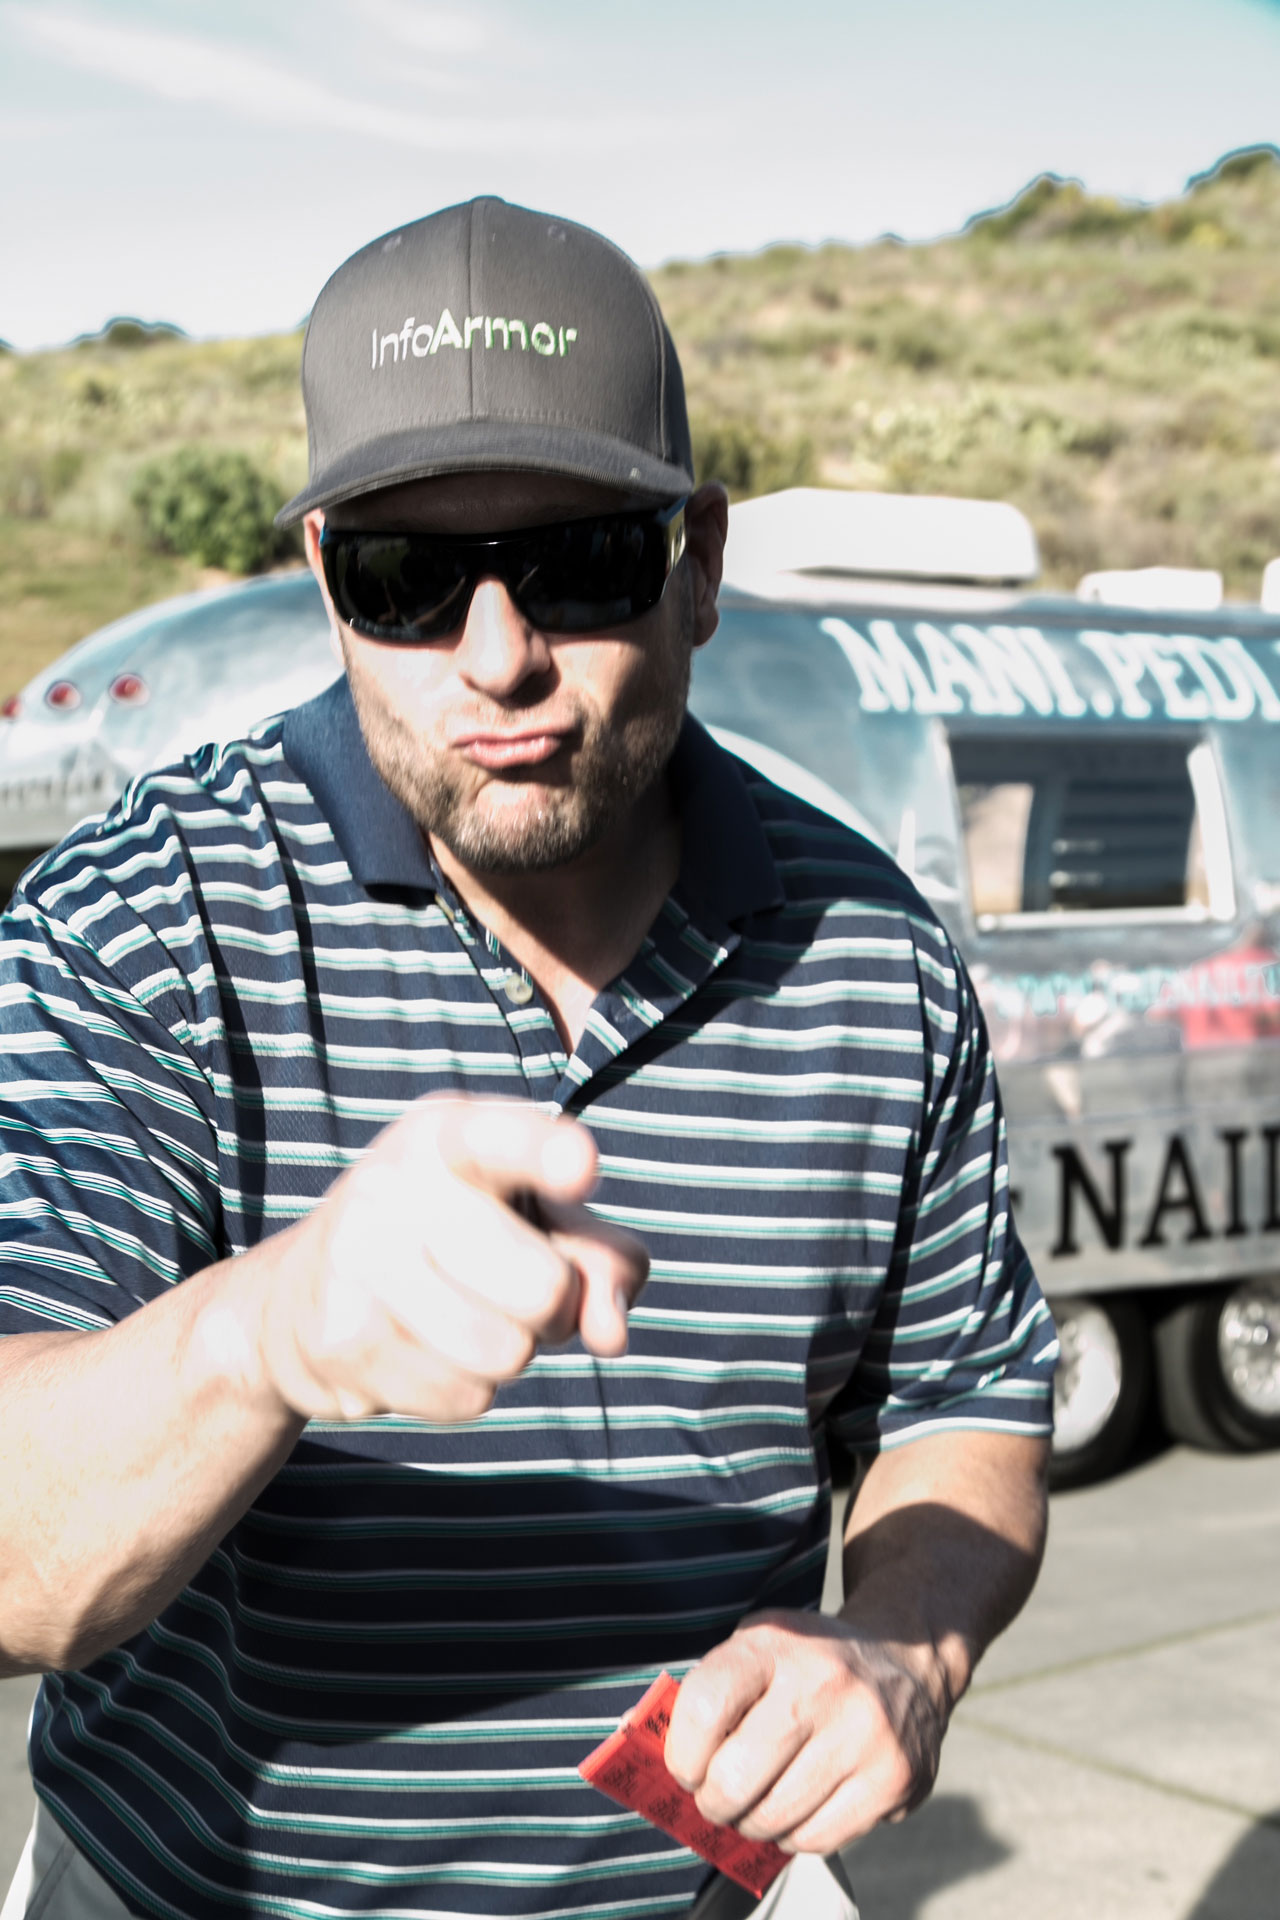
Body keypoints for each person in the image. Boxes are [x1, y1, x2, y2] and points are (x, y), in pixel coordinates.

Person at [0, 197, 1056, 1920]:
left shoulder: (877, 953)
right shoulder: (146, 918)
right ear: (327, 579)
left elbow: (966, 1399)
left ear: (699, 564)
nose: (498, 657)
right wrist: (269, 1329)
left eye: (579, 561)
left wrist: (906, 1644)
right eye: (408, 579)